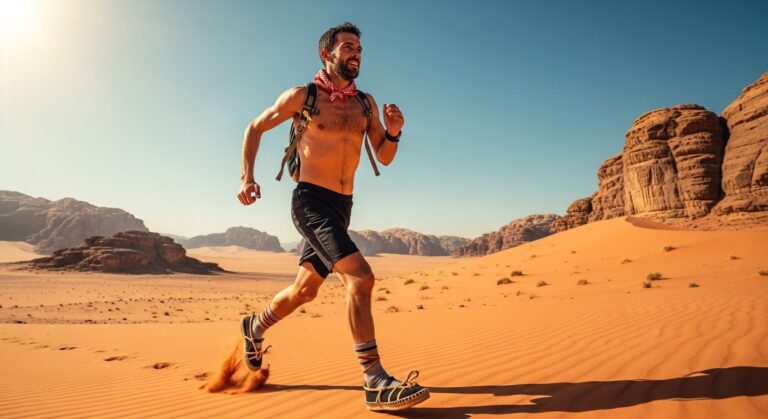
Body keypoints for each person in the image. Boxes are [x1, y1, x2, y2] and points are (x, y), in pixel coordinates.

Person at [235, 22, 429, 411]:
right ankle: (374, 379)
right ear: (327, 54)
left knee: (305, 291)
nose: (357, 53)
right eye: (348, 47)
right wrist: (247, 178)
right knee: (361, 277)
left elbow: (384, 157)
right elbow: (255, 127)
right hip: (311, 202)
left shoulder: (365, 104)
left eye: (359, 48)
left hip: (342, 207)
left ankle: (254, 326)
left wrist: (393, 132)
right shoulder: (302, 96)